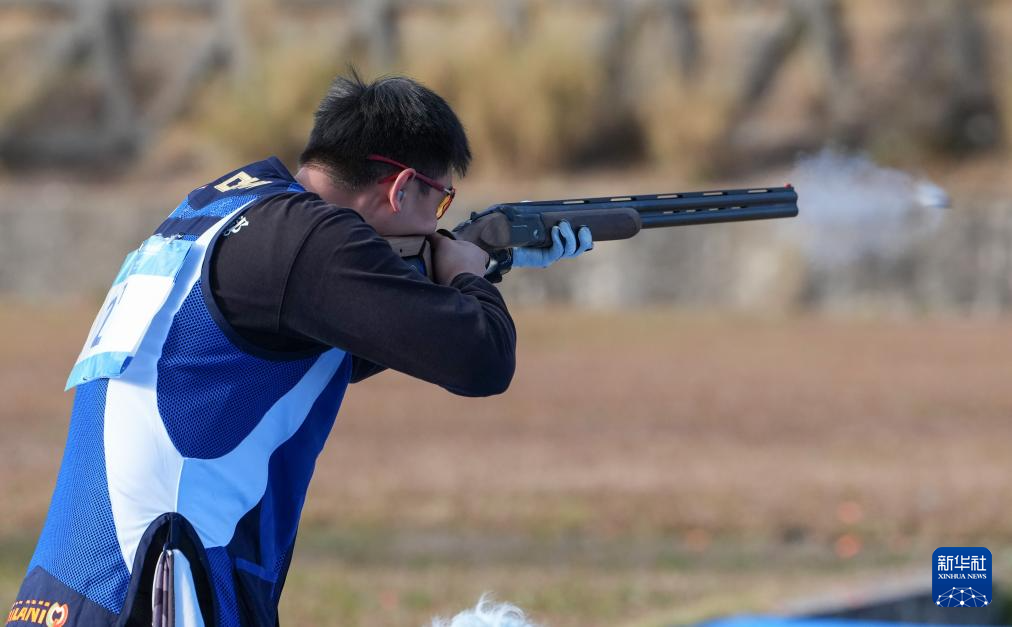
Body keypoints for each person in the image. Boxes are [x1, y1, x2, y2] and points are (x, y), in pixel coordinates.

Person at [8, 72, 590, 627]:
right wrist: (466, 277)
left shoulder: (221, 208)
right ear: (401, 187)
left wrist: (483, 268)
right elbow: (480, 358)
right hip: (161, 583)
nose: (437, 226)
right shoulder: (313, 237)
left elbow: (347, 342)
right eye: (439, 204)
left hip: (75, 583)